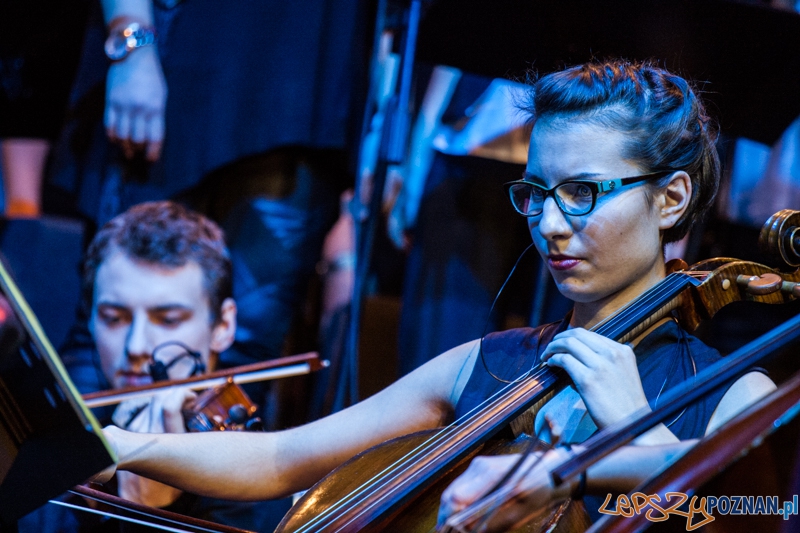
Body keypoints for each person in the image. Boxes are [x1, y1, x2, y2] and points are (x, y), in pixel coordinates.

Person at [98, 60, 776, 530]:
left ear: (671, 197)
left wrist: (639, 433)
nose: (548, 224)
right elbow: (282, 457)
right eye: (536, 193)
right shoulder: (491, 364)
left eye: (582, 192)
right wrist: (113, 443)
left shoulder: (731, 395)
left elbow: (752, 520)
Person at [18, 201, 289, 532]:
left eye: (168, 319)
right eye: (114, 318)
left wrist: (146, 511)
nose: (136, 347)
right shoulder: (58, 443)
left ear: (224, 325)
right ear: (89, 320)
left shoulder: (258, 474)